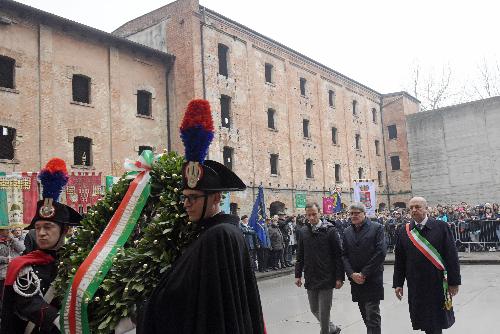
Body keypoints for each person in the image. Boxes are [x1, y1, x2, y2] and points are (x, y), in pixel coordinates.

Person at [137, 99, 266, 334]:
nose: (186, 204)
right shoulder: (213, 231)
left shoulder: (220, 236)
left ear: (216, 198)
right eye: (184, 197)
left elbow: (192, 301)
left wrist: (147, 305)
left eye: (193, 198)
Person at [0, 158, 83, 334]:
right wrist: (60, 320)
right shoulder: (23, 266)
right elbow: (28, 304)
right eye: (38, 228)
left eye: (48, 227)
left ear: (65, 230)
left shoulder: (77, 262)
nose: (42, 233)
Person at [393, 197, 461, 334]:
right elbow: (400, 260)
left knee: (436, 320)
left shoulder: (441, 227)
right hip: (416, 283)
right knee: (423, 319)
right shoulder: (404, 231)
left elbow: (451, 256)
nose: (413, 210)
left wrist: (454, 282)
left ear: (426, 208)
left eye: (417, 207)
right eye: (411, 208)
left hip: (437, 282)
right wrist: (398, 283)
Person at [295, 202, 344, 334]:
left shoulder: (330, 230)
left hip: (327, 277)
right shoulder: (303, 231)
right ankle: (333, 328)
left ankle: (326, 331)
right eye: (308, 215)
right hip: (311, 276)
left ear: (320, 213)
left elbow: (338, 256)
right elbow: (300, 255)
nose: (311, 218)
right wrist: (297, 275)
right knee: (314, 309)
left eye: (314, 214)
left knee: (324, 312)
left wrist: (340, 277)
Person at [342, 203, 386, 334]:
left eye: (357, 213)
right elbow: (344, 255)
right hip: (356, 280)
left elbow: (381, 252)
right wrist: (351, 274)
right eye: (351, 213)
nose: (354, 216)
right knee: (364, 314)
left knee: (372, 315)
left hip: (372, 278)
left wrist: (364, 273)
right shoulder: (347, 231)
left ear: (364, 213)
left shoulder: (377, 228)